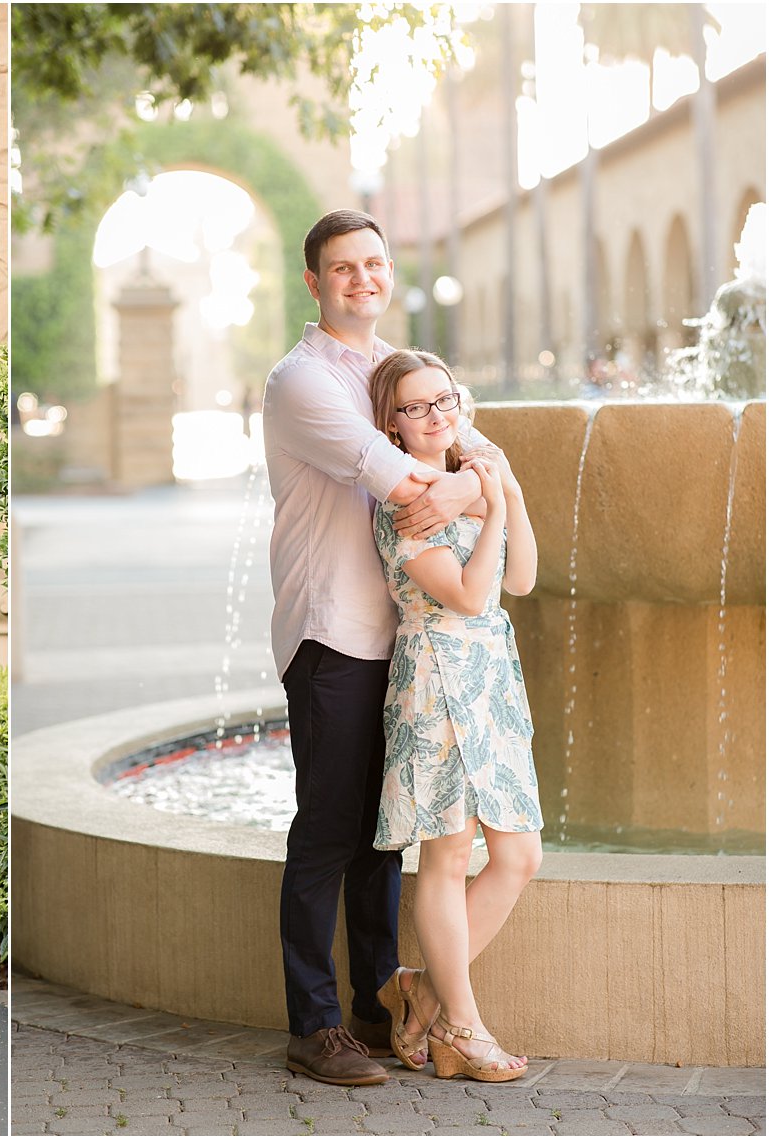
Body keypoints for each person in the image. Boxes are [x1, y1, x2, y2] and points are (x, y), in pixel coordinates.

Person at [262, 209, 497, 1086]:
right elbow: (402, 480)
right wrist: (479, 480)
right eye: (341, 267)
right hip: (332, 632)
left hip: (402, 636)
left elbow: (466, 452)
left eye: (373, 263)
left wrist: (472, 476)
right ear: (314, 282)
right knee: (327, 831)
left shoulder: (397, 370)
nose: (361, 278)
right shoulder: (302, 383)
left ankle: (373, 1001)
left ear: (388, 272)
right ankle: (313, 1024)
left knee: (382, 838)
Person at [367, 350, 542, 1083]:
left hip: (491, 677)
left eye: (445, 398)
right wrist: (492, 500)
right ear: (393, 424)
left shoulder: (476, 470)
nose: (438, 414)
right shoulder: (404, 500)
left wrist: (505, 492)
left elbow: (524, 577)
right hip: (436, 676)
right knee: (445, 853)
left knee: (519, 854)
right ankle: (461, 1029)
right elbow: (470, 595)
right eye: (417, 406)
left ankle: (422, 990)